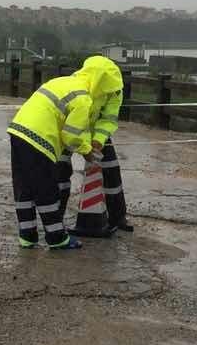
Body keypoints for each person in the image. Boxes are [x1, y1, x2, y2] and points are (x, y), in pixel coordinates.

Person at [8, 55, 124, 250]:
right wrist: (87, 150)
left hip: (18, 131)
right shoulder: (83, 98)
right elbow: (72, 135)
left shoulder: (63, 81)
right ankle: (56, 237)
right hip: (41, 140)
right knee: (47, 190)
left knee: (24, 187)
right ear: (100, 84)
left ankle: (27, 236)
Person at [57, 56, 133, 233]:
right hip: (69, 129)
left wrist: (98, 140)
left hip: (96, 132)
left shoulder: (116, 89)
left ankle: (118, 216)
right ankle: (55, 219)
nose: (109, 91)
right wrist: (83, 145)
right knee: (60, 170)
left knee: (111, 170)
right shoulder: (77, 84)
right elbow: (71, 119)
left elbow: (109, 118)